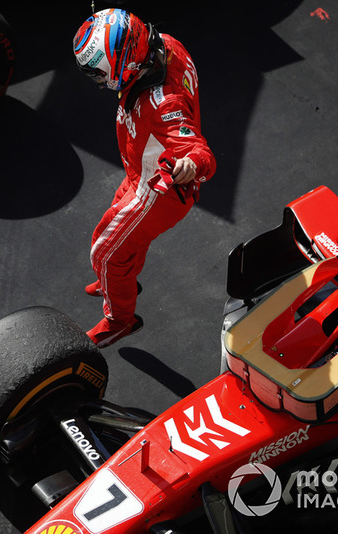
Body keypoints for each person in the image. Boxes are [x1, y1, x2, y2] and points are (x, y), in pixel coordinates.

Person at [73, 8, 217, 348]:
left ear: (123, 62)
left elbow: (201, 153)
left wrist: (191, 165)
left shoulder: (162, 103)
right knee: (120, 243)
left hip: (159, 189)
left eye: (98, 72)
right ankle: (119, 280)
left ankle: (119, 319)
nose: (96, 80)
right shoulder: (165, 45)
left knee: (103, 253)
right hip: (143, 170)